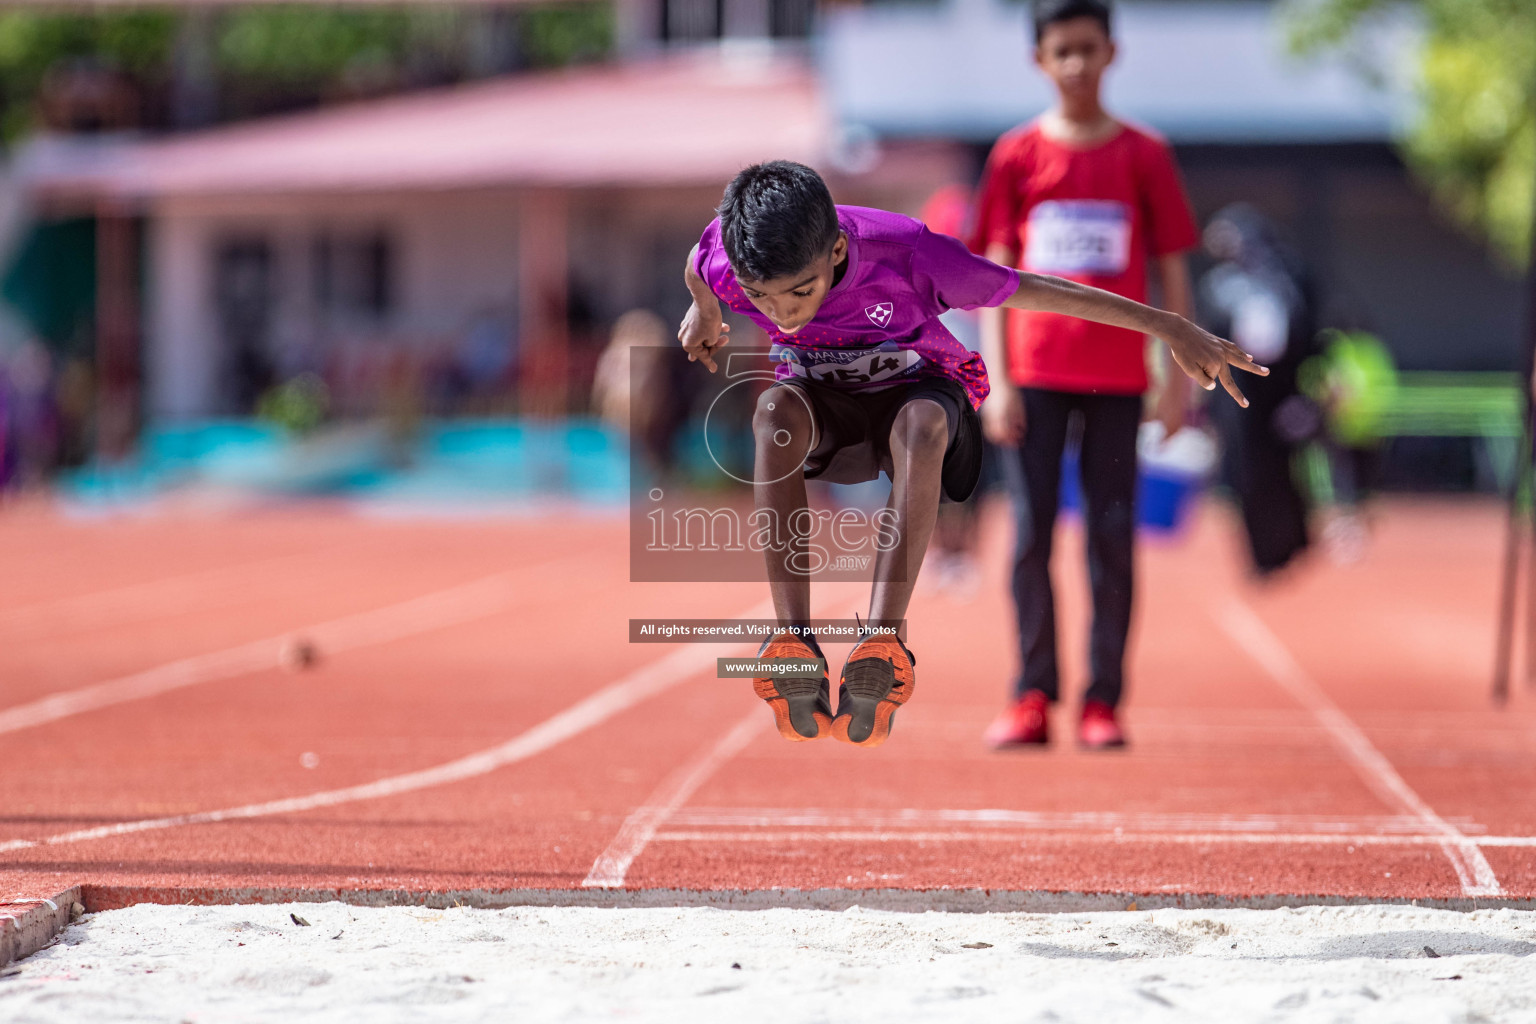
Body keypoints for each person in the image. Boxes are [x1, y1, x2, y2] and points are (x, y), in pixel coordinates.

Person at [678, 160, 1262, 747]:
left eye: (800, 291)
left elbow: (1040, 291)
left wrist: (1167, 326)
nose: (784, 312)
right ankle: (793, 640)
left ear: (833, 250)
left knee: (921, 423)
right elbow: (697, 263)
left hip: (921, 398)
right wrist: (703, 308)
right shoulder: (727, 258)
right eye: (762, 297)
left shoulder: (910, 255)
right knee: (771, 414)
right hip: (827, 408)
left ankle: (882, 641)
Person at [969, 0, 1202, 750]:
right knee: (1032, 536)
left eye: (1088, 49)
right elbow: (991, 275)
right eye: (1061, 51)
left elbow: (1172, 268)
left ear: (1112, 53)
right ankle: (1032, 693)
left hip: (1118, 381)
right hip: (1033, 374)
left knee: (1110, 539)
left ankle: (1103, 701)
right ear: (1040, 59)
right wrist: (995, 380)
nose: (1075, 65)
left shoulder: (1145, 154)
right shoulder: (1014, 155)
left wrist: (1178, 375)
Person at [1199, 203, 1318, 576]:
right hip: (1237, 393)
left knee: (1284, 466)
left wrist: (1306, 396)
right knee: (1243, 473)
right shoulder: (1218, 286)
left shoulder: (1290, 276)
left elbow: (1313, 334)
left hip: (1282, 388)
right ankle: (1262, 555)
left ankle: (1294, 541)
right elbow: (1206, 342)